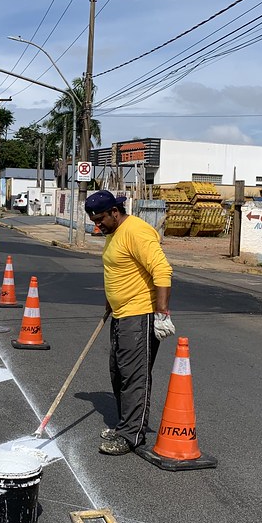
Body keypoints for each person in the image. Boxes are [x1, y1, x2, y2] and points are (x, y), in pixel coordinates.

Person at [85, 190, 176, 455]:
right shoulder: (114, 233)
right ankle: (126, 423)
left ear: (115, 211)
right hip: (121, 313)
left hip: (140, 315)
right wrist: (109, 301)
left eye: (101, 218)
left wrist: (161, 313)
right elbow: (118, 269)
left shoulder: (136, 231)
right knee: (119, 371)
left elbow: (162, 270)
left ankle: (131, 434)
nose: (97, 224)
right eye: (93, 219)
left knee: (134, 375)